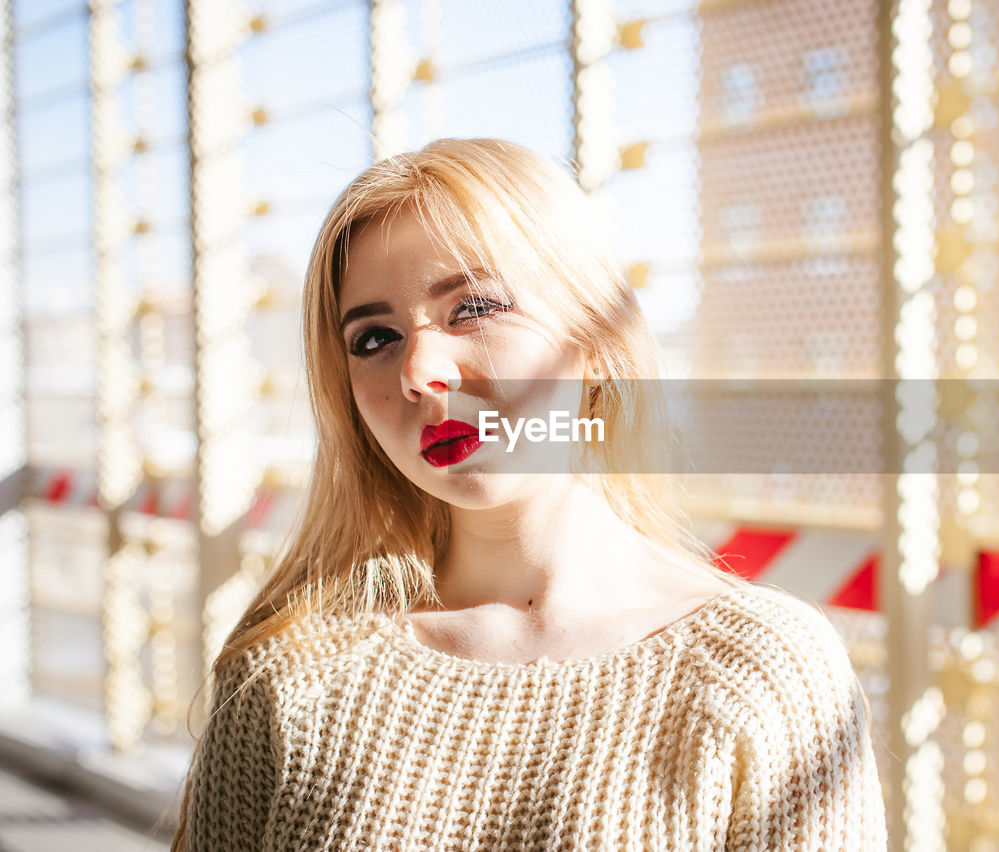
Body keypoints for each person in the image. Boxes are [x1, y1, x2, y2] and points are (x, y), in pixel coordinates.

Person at [173, 138, 887, 850]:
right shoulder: (286, 673)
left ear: (599, 339)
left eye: (474, 307)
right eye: (374, 339)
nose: (420, 371)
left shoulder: (764, 673)